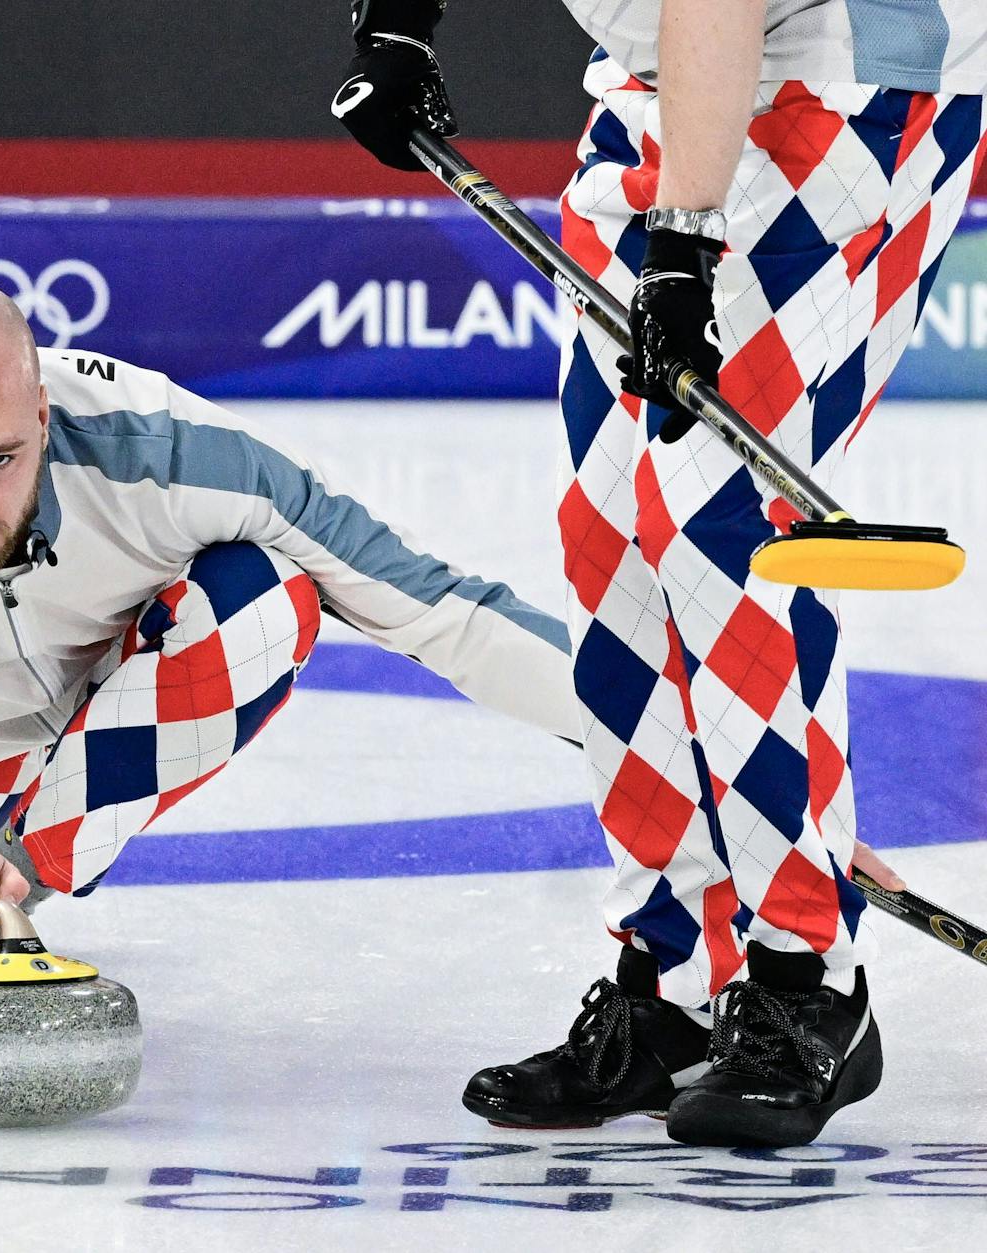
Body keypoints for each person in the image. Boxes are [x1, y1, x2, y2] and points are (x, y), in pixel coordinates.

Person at [332, 0, 980, 1146]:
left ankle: (802, 981)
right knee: (609, 536)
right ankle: (672, 979)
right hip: (660, 76)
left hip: (847, 85)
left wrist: (682, 244)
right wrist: (398, 19)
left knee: (722, 528)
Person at [0, 277, 580, 967]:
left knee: (269, 594)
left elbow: (438, 607)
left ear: (45, 419)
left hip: (82, 756)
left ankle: (20, 874)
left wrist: (657, 728)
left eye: (2, 458)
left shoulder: (163, 449)